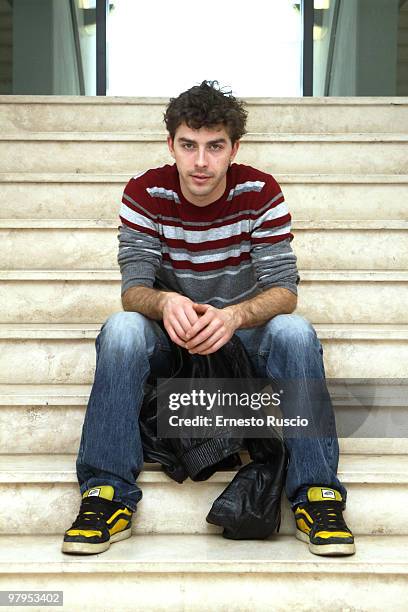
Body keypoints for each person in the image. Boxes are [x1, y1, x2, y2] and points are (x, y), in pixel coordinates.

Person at [62, 81, 355, 557]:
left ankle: (316, 494)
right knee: (121, 330)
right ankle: (106, 493)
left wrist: (236, 315)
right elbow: (133, 288)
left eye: (214, 146)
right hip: (172, 341)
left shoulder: (260, 190)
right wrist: (164, 304)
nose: (201, 161)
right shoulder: (143, 193)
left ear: (233, 149)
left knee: (295, 333)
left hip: (241, 337)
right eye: (189, 146)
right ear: (171, 145)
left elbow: (285, 291)